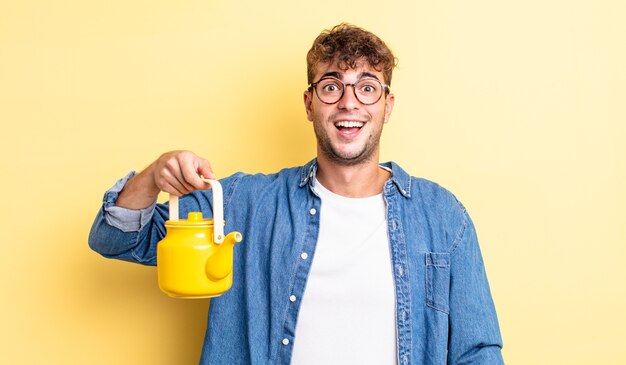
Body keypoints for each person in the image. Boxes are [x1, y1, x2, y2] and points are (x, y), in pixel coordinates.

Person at [89, 23, 504, 364]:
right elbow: (116, 237)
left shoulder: (442, 215)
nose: (348, 103)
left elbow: (478, 350)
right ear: (309, 103)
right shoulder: (243, 205)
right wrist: (153, 175)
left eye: (367, 87)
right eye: (331, 87)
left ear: (387, 105)